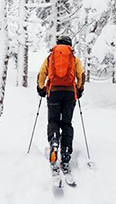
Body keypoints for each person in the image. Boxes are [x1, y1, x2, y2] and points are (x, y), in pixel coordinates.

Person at [36, 35, 85, 174]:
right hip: (70, 93)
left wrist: (41, 88)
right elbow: (81, 74)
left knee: (53, 120)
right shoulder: (74, 58)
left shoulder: (51, 57)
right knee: (67, 123)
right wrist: (79, 89)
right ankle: (66, 152)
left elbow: (42, 73)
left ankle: (54, 141)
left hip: (54, 93)